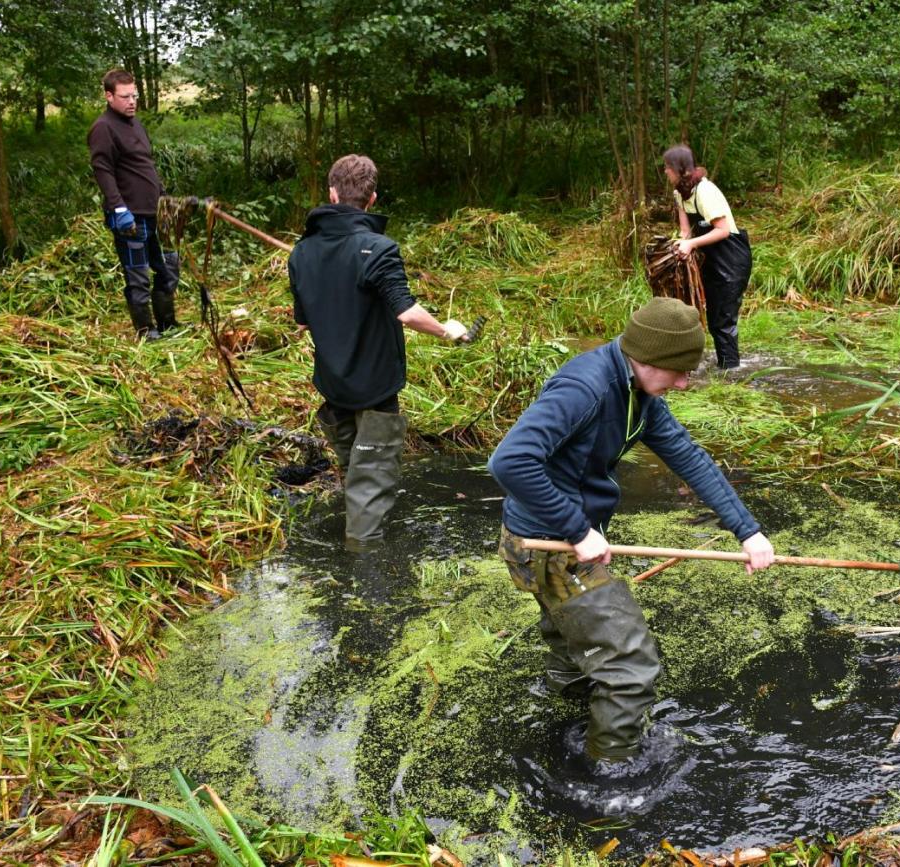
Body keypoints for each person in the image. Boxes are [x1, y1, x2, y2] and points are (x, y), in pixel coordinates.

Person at [489, 297, 775, 762]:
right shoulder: (584, 389)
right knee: (631, 667)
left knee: (572, 647)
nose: (683, 382)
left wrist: (747, 531)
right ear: (644, 358)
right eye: (677, 371)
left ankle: (566, 722)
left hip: (564, 539)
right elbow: (509, 461)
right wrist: (579, 531)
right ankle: (611, 776)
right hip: (550, 545)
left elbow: (688, 457)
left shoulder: (637, 393)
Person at [289, 154, 470, 552]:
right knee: (370, 483)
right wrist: (447, 331)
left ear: (332, 193)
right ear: (372, 199)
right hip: (375, 389)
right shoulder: (379, 249)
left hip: (332, 384)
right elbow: (406, 312)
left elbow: (302, 322)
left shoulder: (301, 253)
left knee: (356, 471)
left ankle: (357, 541)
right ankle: (366, 569)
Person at [88, 69, 181, 341]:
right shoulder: (103, 128)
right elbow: (102, 169)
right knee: (138, 275)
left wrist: (163, 195)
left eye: (135, 95)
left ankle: (167, 323)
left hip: (153, 211)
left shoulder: (135, 123)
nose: (132, 101)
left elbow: (144, 164)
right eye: (125, 96)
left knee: (167, 267)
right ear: (108, 96)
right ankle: (146, 331)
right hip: (131, 217)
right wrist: (118, 208)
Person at [663, 145, 752, 370]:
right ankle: (719, 363)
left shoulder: (705, 191)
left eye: (667, 167)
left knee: (722, 320)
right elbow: (686, 232)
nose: (665, 172)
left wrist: (691, 244)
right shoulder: (679, 193)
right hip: (710, 259)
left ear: (678, 168)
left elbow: (722, 230)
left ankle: (731, 372)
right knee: (709, 315)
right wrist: (678, 245)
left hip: (731, 259)